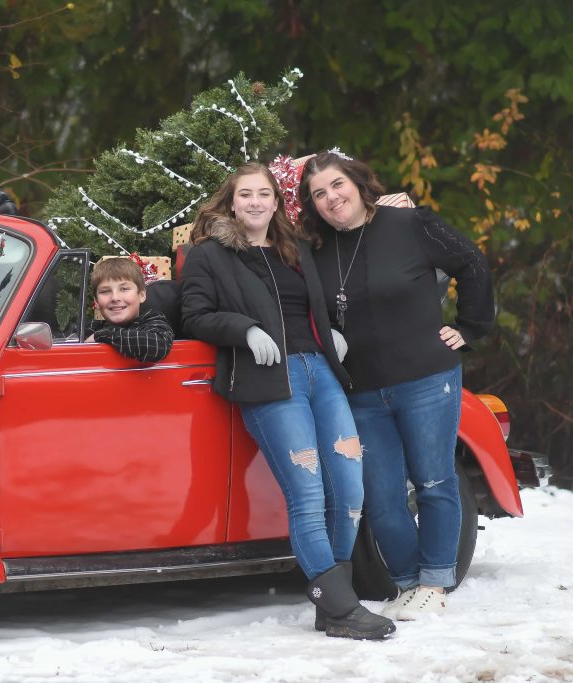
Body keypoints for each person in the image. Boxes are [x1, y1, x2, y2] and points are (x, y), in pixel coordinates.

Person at [180, 163, 395, 640]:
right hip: (269, 383)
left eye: (264, 194)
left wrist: (331, 334)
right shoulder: (208, 256)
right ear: (231, 202)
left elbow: (316, 304)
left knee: (349, 488)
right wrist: (245, 329)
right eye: (245, 194)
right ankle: (340, 606)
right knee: (307, 493)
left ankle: (334, 601)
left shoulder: (294, 249)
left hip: (321, 372)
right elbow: (195, 315)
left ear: (276, 203)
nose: (255, 202)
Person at [298, 150, 494, 620]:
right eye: (318, 193)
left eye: (337, 185)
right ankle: (408, 582)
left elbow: (471, 262)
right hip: (361, 391)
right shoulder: (316, 248)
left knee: (433, 479)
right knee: (381, 497)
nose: (331, 198)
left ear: (358, 183)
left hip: (427, 378)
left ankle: (435, 581)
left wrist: (469, 328)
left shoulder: (409, 224)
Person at [85, 257, 173, 363]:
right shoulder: (92, 328)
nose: (115, 298)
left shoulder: (153, 319)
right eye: (105, 291)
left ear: (141, 295)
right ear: (97, 301)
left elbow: (158, 346)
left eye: (124, 289)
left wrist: (101, 335)